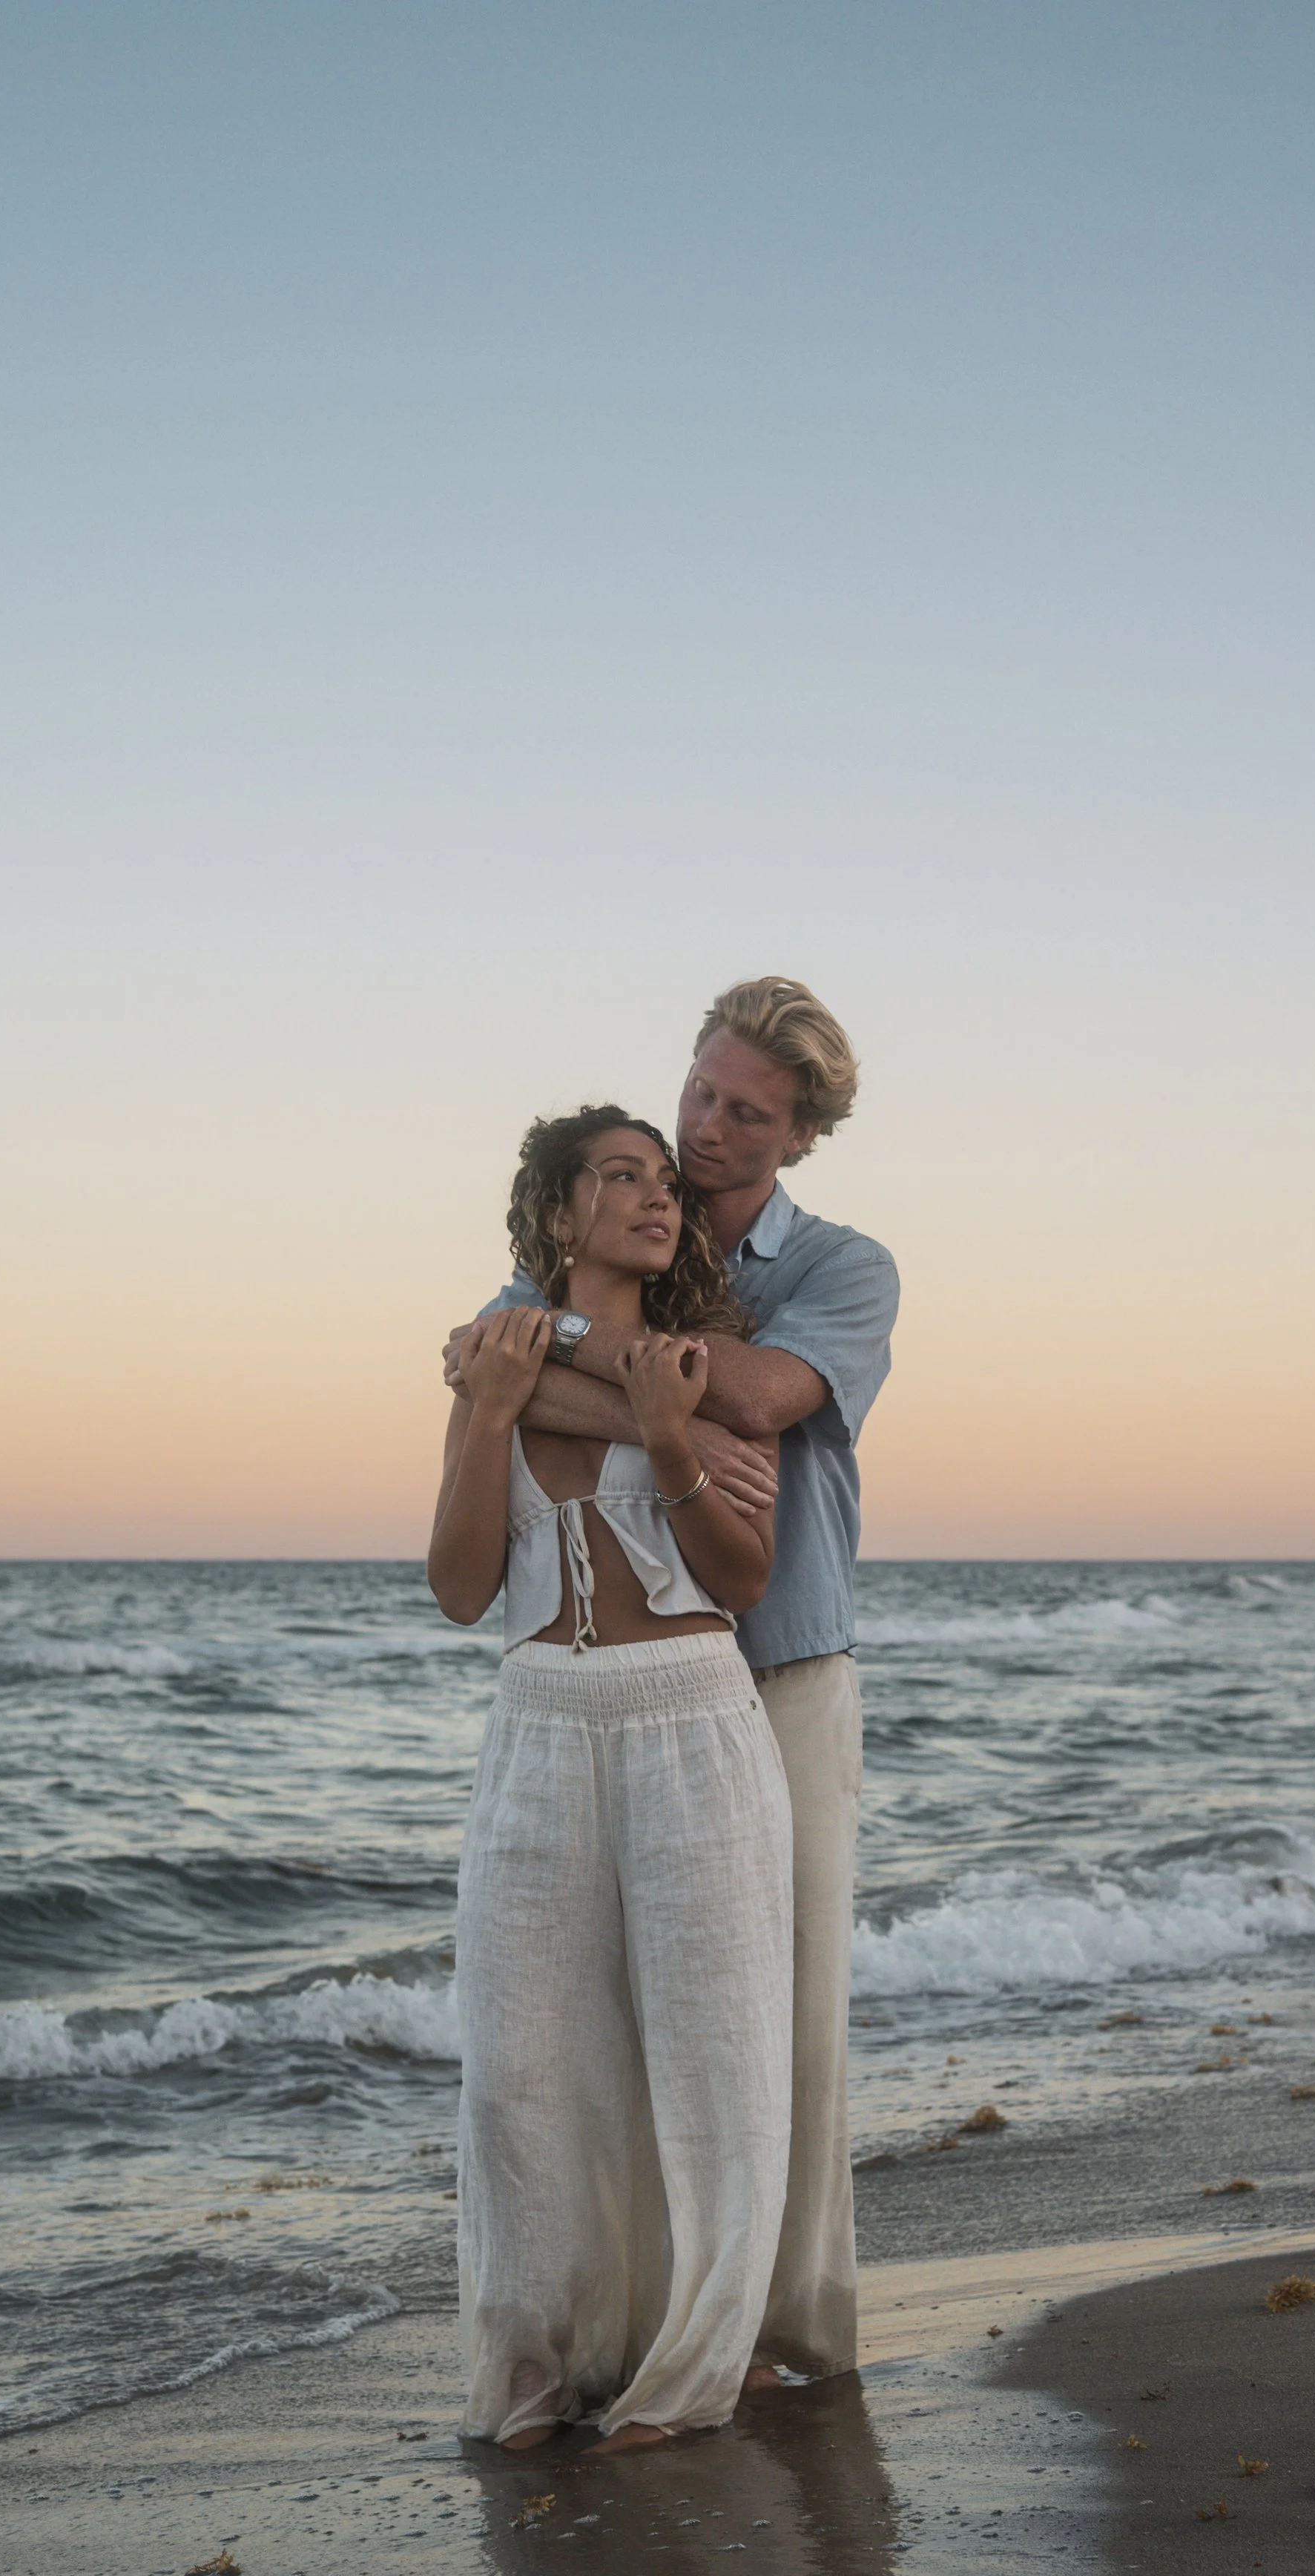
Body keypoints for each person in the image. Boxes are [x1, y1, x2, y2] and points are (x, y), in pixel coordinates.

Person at [445, 977, 898, 2380]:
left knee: (790, 2023)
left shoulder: (846, 1267)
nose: (705, 1128)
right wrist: (640, 1386)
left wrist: (572, 1371)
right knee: (630, 2024)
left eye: (744, 1112)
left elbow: (763, 1400)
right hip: (622, 1686)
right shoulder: (606, 1213)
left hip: (785, 1664)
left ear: (802, 1134)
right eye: (700, 1091)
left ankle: (783, 2328)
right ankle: (646, 2319)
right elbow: (473, 1364)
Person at [429, 1107, 795, 2453]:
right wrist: (486, 1410)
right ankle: (528, 2368)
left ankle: (696, 2365)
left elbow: (744, 1579)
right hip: (537, 1723)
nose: (656, 1197)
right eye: (622, 1178)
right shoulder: (499, 1368)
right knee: (517, 2065)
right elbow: (463, 1587)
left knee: (716, 2054)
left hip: (694, 1719)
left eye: (663, 1181)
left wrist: (673, 1434)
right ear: (559, 1212)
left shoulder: (693, 1369)